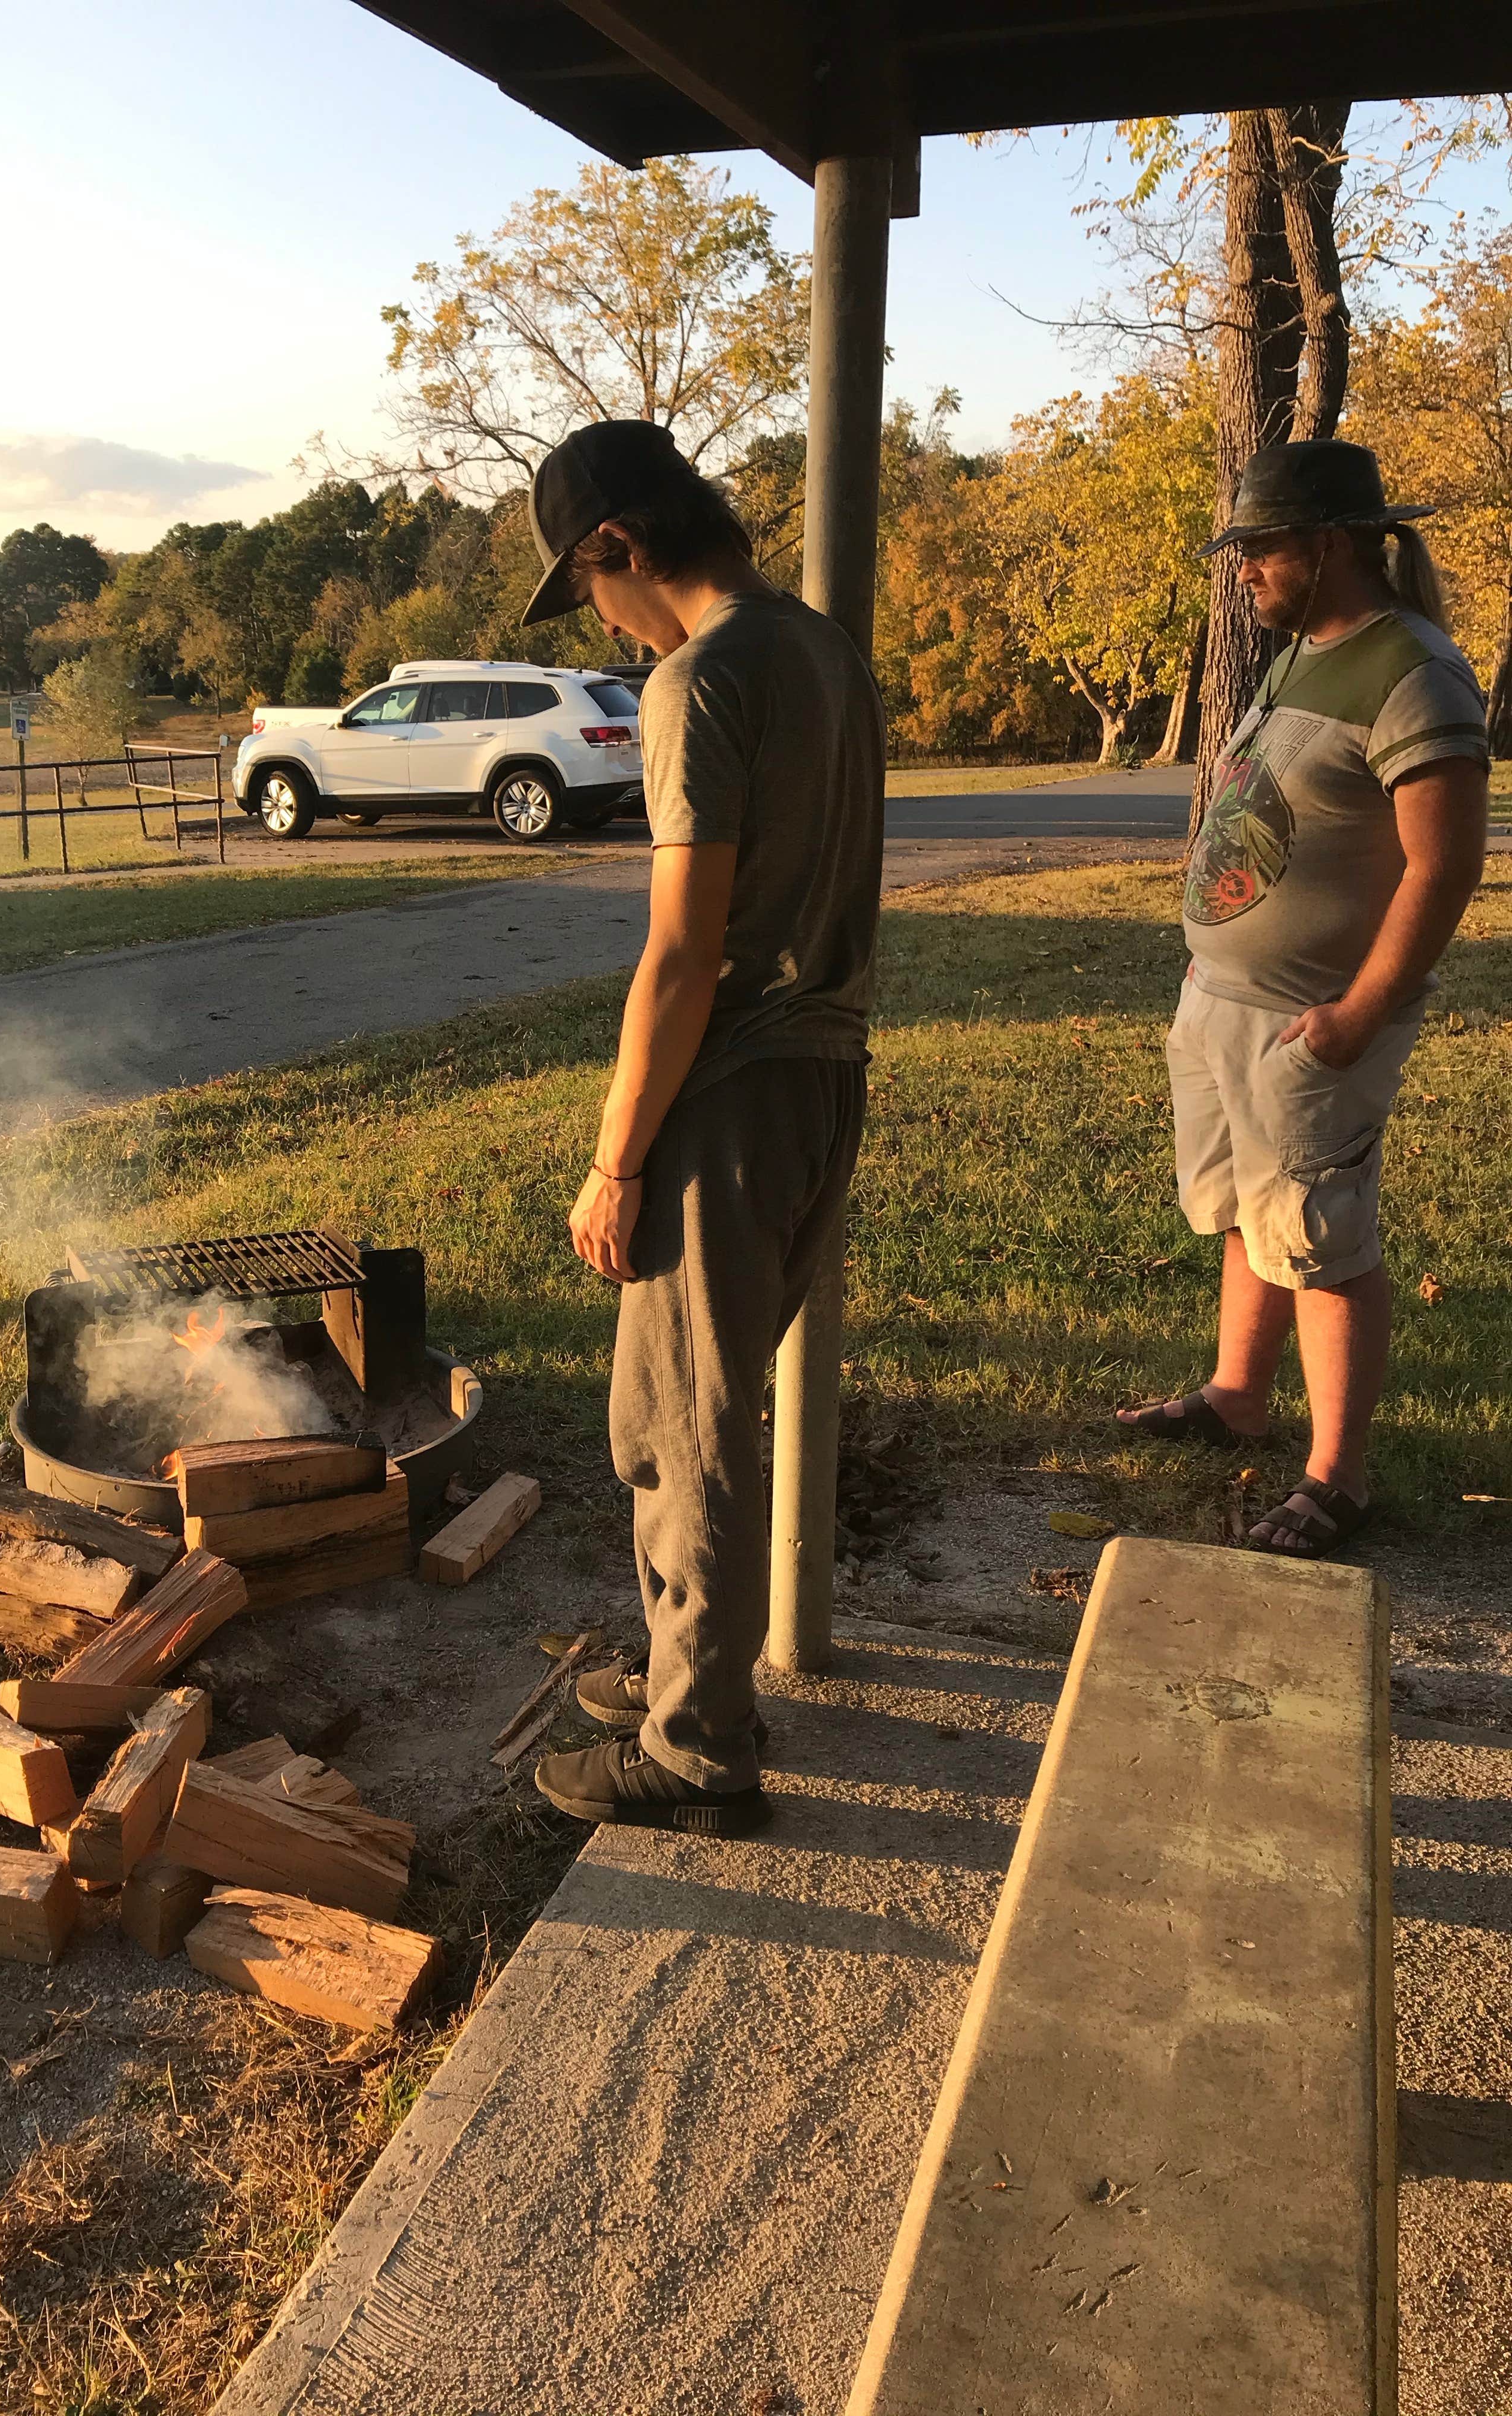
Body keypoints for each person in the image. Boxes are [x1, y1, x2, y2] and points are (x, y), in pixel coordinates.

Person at [517, 420, 884, 1834]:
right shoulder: (821, 649)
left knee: (689, 1427)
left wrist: (616, 1162)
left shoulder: (699, 681)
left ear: (619, 549)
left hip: (731, 1091)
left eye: (589, 590)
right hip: (821, 1076)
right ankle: (684, 1670)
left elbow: (681, 952)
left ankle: (696, 1752)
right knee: (686, 1408)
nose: (598, 622)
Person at [1118, 439, 1489, 1556]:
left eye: (1260, 548)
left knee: (1324, 1241)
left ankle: (1339, 1478)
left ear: (1330, 545)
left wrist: (1361, 1012)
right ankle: (1238, 1395)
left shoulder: (1414, 671)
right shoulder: (1298, 653)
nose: (1243, 570)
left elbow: (1447, 865)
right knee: (1246, 1212)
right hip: (1223, 1000)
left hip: (1315, 1022)